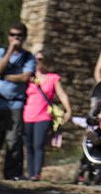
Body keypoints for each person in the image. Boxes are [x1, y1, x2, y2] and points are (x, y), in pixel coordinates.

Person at [0, 22, 36, 180]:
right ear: (8, 36)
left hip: (15, 102)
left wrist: (5, 77)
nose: (15, 38)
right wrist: (10, 52)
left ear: (24, 37)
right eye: (12, 35)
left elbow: (25, 77)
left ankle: (11, 173)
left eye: (19, 36)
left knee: (13, 140)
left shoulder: (28, 57)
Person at [22, 50, 70, 181]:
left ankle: (36, 173)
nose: (37, 62)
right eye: (35, 59)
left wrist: (68, 110)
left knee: (38, 144)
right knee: (29, 146)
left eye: (40, 59)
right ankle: (30, 173)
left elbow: (61, 94)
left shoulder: (53, 78)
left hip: (43, 116)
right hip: (27, 115)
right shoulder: (28, 78)